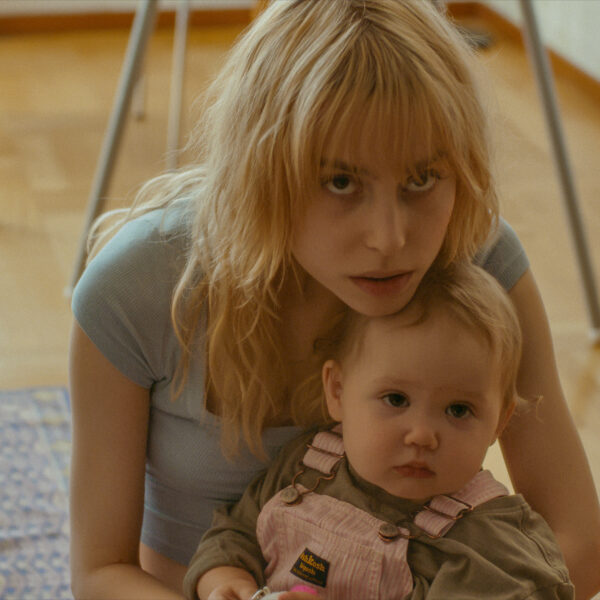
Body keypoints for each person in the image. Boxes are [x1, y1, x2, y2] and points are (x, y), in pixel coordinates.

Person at [68, 1, 600, 599]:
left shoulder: (479, 260)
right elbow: (100, 573)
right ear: (261, 171)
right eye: (341, 182)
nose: (389, 239)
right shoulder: (136, 289)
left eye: (421, 179)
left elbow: (577, 547)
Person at [183, 263, 574, 600]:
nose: (422, 435)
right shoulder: (307, 465)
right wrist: (227, 582)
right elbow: (235, 534)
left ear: (499, 422)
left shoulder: (491, 549)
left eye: (459, 410)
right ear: (338, 391)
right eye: (396, 399)